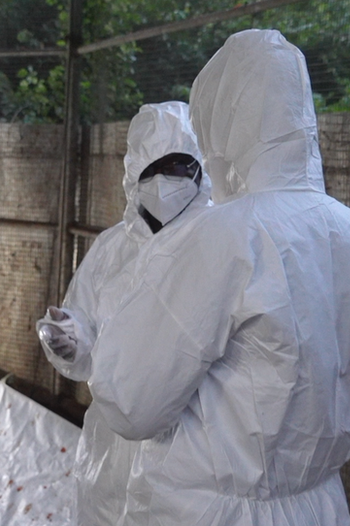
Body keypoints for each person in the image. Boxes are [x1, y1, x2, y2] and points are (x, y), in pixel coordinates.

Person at [85, 29, 350, 525]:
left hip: (209, 511)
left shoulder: (223, 239)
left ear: (222, 121)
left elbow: (131, 404)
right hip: (319, 504)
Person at [36, 101, 211, 525]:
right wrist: (69, 339)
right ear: (134, 175)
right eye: (156, 169)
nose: (168, 181)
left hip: (190, 453)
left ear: (202, 169)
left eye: (180, 166)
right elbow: (84, 327)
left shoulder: (218, 243)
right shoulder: (112, 249)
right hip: (110, 450)